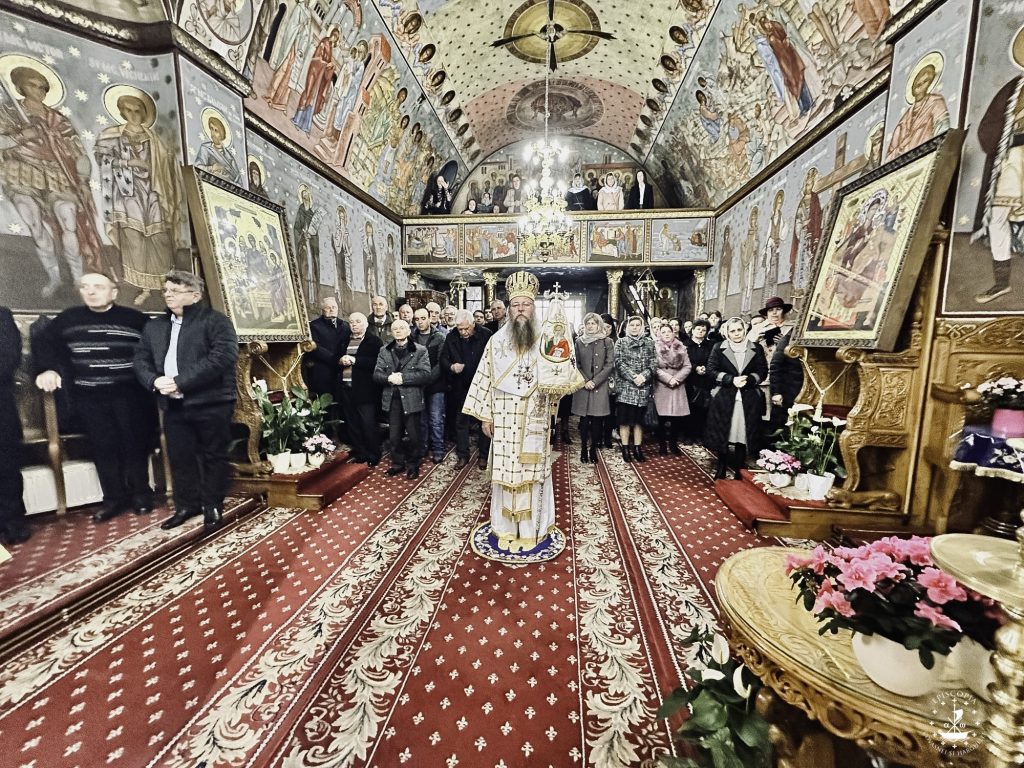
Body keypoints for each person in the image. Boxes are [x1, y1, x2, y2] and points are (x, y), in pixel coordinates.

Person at [35, 273, 155, 522]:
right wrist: (47, 369)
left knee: (134, 444)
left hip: (130, 394)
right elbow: (43, 344)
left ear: (113, 292)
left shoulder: (136, 319)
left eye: (98, 287)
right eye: (85, 287)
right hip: (89, 396)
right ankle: (113, 499)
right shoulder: (68, 319)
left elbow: (156, 350)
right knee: (103, 447)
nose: (91, 292)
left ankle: (141, 494)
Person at [463, 271, 567, 553]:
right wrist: (486, 416)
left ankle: (533, 529)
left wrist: (555, 394)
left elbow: (561, 377)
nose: (521, 309)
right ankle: (506, 528)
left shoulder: (547, 341)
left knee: (532, 475)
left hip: (535, 417)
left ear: (534, 307)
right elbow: (483, 379)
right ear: (509, 309)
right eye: (516, 304)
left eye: (526, 304)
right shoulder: (495, 342)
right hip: (504, 417)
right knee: (506, 472)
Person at [134, 270, 238, 531]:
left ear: (195, 295)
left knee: (214, 455)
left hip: (212, 401)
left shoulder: (216, 321)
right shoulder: (155, 326)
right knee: (180, 457)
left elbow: (223, 356)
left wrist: (180, 381)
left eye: (175, 290)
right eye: (166, 290)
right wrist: (154, 381)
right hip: (173, 404)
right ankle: (187, 505)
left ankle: (213, 505)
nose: (168, 295)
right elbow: (140, 359)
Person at [705, 316, 768, 480]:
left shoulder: (756, 348)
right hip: (725, 397)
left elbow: (763, 371)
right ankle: (721, 467)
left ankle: (740, 468)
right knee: (724, 431)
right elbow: (711, 369)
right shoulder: (718, 347)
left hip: (748, 398)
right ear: (727, 333)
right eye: (732, 331)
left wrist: (749, 379)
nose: (736, 333)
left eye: (739, 329)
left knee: (743, 432)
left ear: (745, 330)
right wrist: (730, 379)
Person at [373, 319, 431, 479]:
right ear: (391, 332)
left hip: (412, 399)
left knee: (414, 435)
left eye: (401, 328)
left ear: (408, 331)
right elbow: (376, 374)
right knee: (394, 436)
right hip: (392, 400)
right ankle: (398, 463)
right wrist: (389, 378)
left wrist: (403, 379)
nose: (398, 331)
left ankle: (413, 465)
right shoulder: (384, 350)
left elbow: (425, 375)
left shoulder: (420, 350)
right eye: (395, 329)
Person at [442, 309, 492, 469]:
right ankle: (463, 455)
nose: (463, 332)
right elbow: (443, 358)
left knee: (483, 420)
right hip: (460, 385)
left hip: (482, 384)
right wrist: (451, 366)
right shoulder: (451, 336)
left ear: (473, 324)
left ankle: (483, 455)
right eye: (460, 329)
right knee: (461, 422)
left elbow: (492, 360)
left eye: (466, 329)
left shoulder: (486, 334)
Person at [0, 307, 30, 545]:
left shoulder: (2, 316)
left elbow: (9, 359)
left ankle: (13, 522)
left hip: (1, 408)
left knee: (6, 466)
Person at [338, 312, 383, 465]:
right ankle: (360, 453)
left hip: (365, 390)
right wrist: (340, 360)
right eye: (351, 322)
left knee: (368, 423)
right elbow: (335, 358)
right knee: (352, 423)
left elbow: (376, 363)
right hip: (346, 388)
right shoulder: (344, 340)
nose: (354, 325)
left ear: (366, 324)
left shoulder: (374, 341)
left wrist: (355, 360)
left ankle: (373, 454)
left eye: (358, 321)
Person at [571, 312, 615, 464]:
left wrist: (595, 381)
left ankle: (593, 449)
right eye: (588, 323)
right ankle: (584, 448)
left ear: (598, 325)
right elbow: (576, 364)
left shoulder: (607, 341)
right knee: (584, 420)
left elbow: (609, 365)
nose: (590, 326)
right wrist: (585, 380)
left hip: (600, 386)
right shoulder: (579, 342)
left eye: (593, 323)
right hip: (583, 386)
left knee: (597, 420)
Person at [613, 316, 657, 462]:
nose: (635, 327)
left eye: (638, 325)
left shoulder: (649, 342)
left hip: (643, 387)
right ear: (627, 327)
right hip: (626, 387)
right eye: (632, 325)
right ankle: (625, 448)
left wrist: (644, 376)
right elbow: (618, 362)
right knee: (624, 420)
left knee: (639, 421)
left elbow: (653, 362)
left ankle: (638, 448)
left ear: (642, 327)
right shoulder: (621, 342)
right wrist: (633, 377)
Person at [306, 296, 349, 440]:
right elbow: (315, 348)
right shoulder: (314, 326)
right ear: (322, 310)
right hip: (323, 371)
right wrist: (336, 359)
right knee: (326, 406)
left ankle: (344, 436)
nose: (331, 310)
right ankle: (327, 438)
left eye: (334, 307)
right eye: (328, 308)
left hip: (343, 371)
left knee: (343, 404)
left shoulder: (345, 325)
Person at [411, 307, 447, 463]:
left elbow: (441, 362)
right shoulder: (411, 337)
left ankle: (438, 449)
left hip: (435, 384)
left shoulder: (439, 337)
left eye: (423, 318)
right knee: (421, 419)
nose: (420, 322)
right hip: (417, 384)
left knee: (436, 418)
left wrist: (427, 379)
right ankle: (423, 447)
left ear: (429, 318)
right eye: (417, 319)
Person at [653, 323, 692, 455]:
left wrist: (677, 379)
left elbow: (687, 366)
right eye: (663, 332)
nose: (666, 334)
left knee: (676, 418)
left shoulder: (681, 347)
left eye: (669, 332)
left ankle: (673, 443)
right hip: (662, 385)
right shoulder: (654, 347)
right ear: (659, 334)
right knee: (661, 418)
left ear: (673, 333)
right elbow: (654, 367)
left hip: (677, 385)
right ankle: (662, 445)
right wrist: (668, 379)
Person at [683, 319, 714, 443]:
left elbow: (713, 359)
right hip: (690, 380)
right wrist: (695, 368)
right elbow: (683, 361)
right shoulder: (685, 345)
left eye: (703, 330)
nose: (700, 331)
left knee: (703, 409)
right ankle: (688, 435)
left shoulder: (710, 345)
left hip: (705, 380)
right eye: (698, 329)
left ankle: (699, 435)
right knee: (689, 408)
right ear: (693, 330)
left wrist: (706, 368)